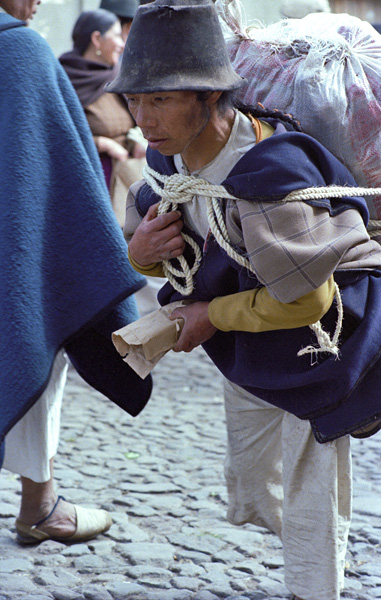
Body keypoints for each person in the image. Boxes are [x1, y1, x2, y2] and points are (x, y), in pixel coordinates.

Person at [106, 1, 381, 599]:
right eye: (135, 98)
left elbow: (308, 302)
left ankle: (315, 588)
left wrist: (209, 315)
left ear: (209, 98)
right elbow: (164, 245)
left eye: (160, 99)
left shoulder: (270, 175)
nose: (142, 117)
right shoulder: (167, 161)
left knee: (312, 484)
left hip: (319, 339)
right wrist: (141, 251)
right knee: (253, 485)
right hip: (245, 340)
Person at [0, 0, 152, 544]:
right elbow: (60, 183)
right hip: (9, 255)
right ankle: (40, 506)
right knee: (36, 319)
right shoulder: (18, 49)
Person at [59, 8, 146, 227]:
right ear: (97, 39)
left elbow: (137, 118)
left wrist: (135, 138)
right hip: (85, 185)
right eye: (116, 35)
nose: (122, 44)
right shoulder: (64, 79)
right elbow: (55, 134)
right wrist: (102, 143)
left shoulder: (117, 77)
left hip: (124, 182)